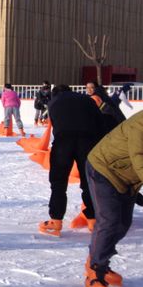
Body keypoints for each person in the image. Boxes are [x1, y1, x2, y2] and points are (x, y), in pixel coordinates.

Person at [81, 111, 143, 287]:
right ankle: (95, 274)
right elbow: (138, 156)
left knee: (123, 224)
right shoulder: (140, 124)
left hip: (127, 178)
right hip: (103, 168)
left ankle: (98, 261)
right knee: (109, 220)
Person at [38, 85, 106, 237]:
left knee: (58, 182)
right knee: (89, 181)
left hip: (63, 143)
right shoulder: (86, 100)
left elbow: (56, 127)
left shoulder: (53, 103)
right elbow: (100, 123)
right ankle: (93, 219)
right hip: (88, 143)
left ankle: (56, 220)